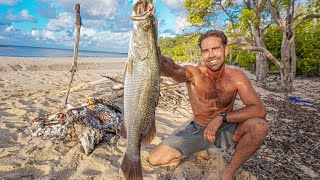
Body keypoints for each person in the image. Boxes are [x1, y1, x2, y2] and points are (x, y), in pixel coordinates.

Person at [148, 30, 268, 180]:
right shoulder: (194, 73)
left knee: (259, 126)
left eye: (215, 49)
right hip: (198, 129)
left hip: (226, 128)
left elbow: (259, 110)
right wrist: (156, 57)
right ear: (202, 53)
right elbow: (173, 69)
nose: (211, 55)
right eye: (206, 51)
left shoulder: (237, 77)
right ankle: (198, 148)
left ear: (225, 49)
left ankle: (228, 172)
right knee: (155, 158)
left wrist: (222, 117)